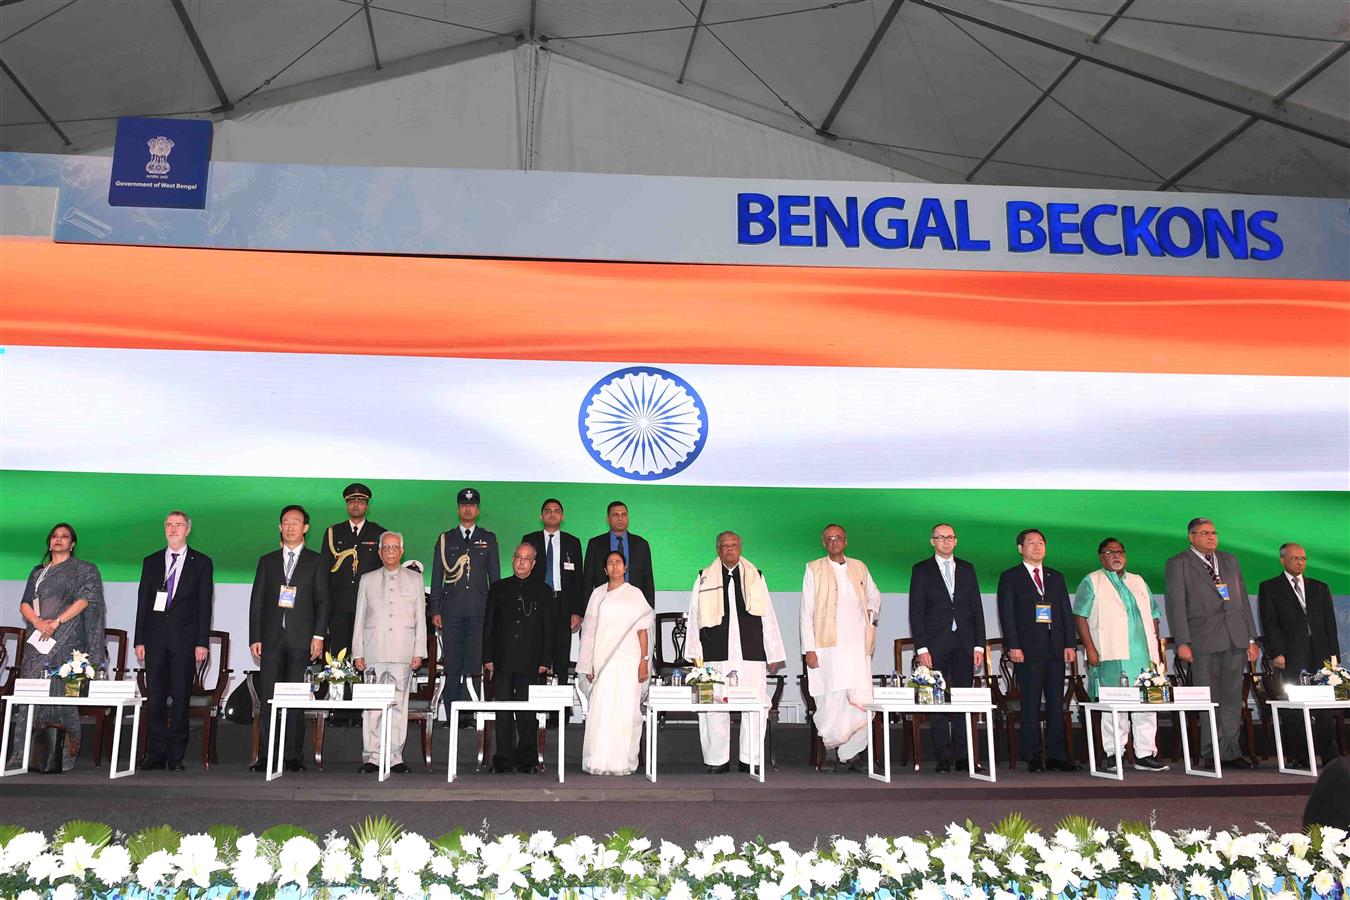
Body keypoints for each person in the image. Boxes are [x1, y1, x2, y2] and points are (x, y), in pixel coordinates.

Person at [6, 523, 106, 772]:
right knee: (30, 695)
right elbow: (25, 604)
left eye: (64, 537)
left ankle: (63, 754)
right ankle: (23, 755)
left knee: (62, 695)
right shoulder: (37, 572)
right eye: (54, 536)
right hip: (38, 640)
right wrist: (39, 623)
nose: (58, 539)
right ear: (49, 542)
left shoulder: (85, 569)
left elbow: (85, 600)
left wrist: (57, 622)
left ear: (72, 544)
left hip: (68, 640)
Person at [686, 531, 786, 773]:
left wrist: (774, 654)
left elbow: (768, 617)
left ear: (740, 547)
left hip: (750, 652)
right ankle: (716, 760)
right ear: (717, 550)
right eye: (724, 546)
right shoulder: (703, 578)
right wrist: (695, 655)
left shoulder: (756, 576)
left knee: (755, 704)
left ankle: (749, 759)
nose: (729, 549)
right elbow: (694, 618)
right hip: (714, 652)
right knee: (713, 705)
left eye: (733, 545)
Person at [1164, 517, 1258, 768]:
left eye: (1214, 532)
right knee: (1209, 699)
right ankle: (1211, 752)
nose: (1211, 537)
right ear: (1191, 536)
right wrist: (1182, 641)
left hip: (1235, 638)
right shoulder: (1178, 563)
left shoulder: (1229, 560)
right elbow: (1176, 605)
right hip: (1202, 639)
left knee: (1231, 699)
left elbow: (1243, 601)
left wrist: (1250, 637)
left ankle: (1230, 751)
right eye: (1204, 533)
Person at [1072, 538, 1168, 773]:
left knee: (1148, 703)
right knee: (1115, 706)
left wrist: (1157, 649)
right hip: (1111, 653)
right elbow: (1080, 616)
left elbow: (1154, 615)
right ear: (1100, 556)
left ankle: (1145, 754)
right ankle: (1115, 754)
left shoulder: (1138, 580)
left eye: (1120, 552)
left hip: (1145, 655)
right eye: (1109, 552)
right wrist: (1090, 648)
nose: (1116, 555)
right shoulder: (1092, 580)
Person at [248, 505, 329, 772]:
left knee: (295, 698)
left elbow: (323, 602)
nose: (290, 526)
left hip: (301, 639)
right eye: (285, 522)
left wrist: (318, 636)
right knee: (269, 697)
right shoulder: (266, 560)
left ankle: (293, 756)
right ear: (280, 527)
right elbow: (256, 602)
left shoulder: (316, 561)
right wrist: (255, 636)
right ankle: (266, 756)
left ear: (305, 528)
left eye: (295, 522)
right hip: (271, 639)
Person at [133, 510, 214, 771]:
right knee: (155, 697)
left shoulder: (201, 562)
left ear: (188, 530)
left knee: (180, 697)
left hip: (186, 641)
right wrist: (139, 639)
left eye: (178, 525)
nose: (173, 529)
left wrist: (202, 642)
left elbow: (205, 606)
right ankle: (154, 753)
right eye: (169, 524)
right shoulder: (152, 561)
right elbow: (143, 602)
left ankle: (175, 755)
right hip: (155, 640)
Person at [996, 528, 1079, 772]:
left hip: (1055, 650)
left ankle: (1057, 756)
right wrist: (1013, 645)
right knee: (1030, 704)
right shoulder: (1010, 576)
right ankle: (1032, 755)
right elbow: (1007, 614)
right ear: (1020, 548)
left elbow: (1064, 611)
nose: (1036, 546)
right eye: (1030, 543)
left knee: (1056, 704)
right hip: (1027, 650)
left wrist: (1070, 644)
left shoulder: (1056, 576)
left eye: (1041, 542)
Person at [801, 524, 881, 771]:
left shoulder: (860, 567)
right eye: (829, 539)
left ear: (845, 541)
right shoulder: (813, 568)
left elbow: (874, 595)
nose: (834, 542)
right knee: (832, 699)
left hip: (856, 646)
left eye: (838, 538)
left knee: (858, 699)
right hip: (827, 647)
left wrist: (870, 613)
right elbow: (806, 611)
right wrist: (809, 649)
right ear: (823, 544)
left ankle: (853, 754)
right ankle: (834, 752)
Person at [908, 523, 985, 773]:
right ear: (932, 541)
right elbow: (916, 612)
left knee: (962, 699)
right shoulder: (921, 570)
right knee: (936, 701)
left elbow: (976, 609)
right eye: (940, 538)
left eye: (950, 537)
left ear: (956, 541)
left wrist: (979, 645)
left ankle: (963, 756)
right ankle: (943, 756)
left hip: (964, 643)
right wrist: (921, 648)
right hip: (934, 645)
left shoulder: (967, 568)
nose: (946, 541)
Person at [1259, 543, 1340, 768]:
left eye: (1303, 558)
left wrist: (1333, 656)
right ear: (1283, 560)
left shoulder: (1319, 588)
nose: (1300, 562)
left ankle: (1329, 754)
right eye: (1295, 558)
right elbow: (1270, 623)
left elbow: (1329, 624)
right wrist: (1276, 652)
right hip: (1291, 655)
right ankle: (1300, 755)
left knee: (1324, 705)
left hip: (1321, 654)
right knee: (1293, 705)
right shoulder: (1270, 587)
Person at [351, 532, 424, 775]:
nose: (390, 551)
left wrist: (419, 651)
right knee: (372, 706)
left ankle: (394, 756)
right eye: (386, 547)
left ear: (402, 551)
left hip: (404, 652)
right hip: (373, 651)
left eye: (395, 547)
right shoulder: (367, 579)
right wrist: (357, 651)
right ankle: (372, 756)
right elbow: (359, 618)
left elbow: (420, 620)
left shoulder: (415, 580)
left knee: (399, 706)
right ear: (380, 551)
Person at [576, 551, 653, 775]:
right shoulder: (597, 595)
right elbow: (589, 633)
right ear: (605, 569)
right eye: (610, 563)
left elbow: (643, 630)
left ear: (625, 567)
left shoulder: (635, 594)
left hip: (629, 660)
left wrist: (644, 661)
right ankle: (598, 761)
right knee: (602, 710)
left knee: (625, 711)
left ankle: (622, 762)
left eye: (618, 563)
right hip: (602, 663)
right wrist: (587, 664)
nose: (614, 567)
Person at [429, 487, 500, 724]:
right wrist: (436, 609)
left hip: (479, 611)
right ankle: (452, 715)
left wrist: (495, 613)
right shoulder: (445, 539)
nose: (468, 508)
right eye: (463, 505)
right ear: (458, 509)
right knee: (451, 663)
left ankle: (469, 714)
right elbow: (436, 577)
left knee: (474, 663)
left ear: (477, 510)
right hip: (451, 612)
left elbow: (496, 579)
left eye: (472, 505)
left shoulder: (488, 538)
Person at [483, 543, 555, 773]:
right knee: (502, 711)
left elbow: (548, 629)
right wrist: (487, 656)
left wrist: (546, 660)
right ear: (512, 560)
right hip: (502, 660)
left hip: (531, 661)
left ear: (533, 564)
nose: (521, 562)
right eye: (518, 557)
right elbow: (489, 625)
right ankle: (503, 760)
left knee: (527, 712)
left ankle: (527, 761)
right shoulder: (498, 588)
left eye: (527, 559)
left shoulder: (543, 590)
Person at [318, 483, 386, 726]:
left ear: (367, 505)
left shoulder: (379, 533)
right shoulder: (332, 533)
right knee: (338, 658)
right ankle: (338, 709)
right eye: (351, 501)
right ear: (346, 505)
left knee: (364, 658)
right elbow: (323, 574)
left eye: (360, 501)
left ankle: (360, 710)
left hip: (369, 609)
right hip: (339, 607)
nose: (356, 504)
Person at [522, 498, 585, 681]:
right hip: (537, 604)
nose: (552, 513)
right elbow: (523, 575)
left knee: (561, 655)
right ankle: (537, 702)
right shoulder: (530, 540)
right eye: (548, 511)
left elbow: (577, 580)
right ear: (541, 516)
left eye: (556, 510)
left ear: (562, 516)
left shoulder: (572, 542)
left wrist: (576, 611)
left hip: (563, 604)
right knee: (537, 653)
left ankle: (562, 707)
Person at [583, 501, 655, 608]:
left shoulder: (641, 544)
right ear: (608, 519)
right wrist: (586, 610)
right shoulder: (595, 544)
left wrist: (649, 609)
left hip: (635, 605)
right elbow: (587, 580)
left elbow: (648, 580)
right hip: (604, 605)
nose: (620, 518)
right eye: (615, 515)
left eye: (624, 515)